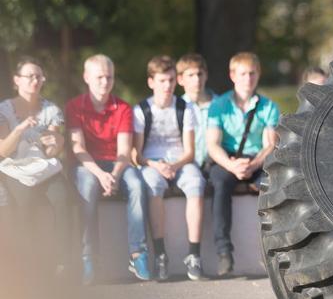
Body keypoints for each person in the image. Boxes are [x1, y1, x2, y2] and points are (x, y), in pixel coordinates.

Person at [66, 54, 150, 284]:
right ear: (86, 77)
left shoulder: (122, 108)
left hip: (116, 163)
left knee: (136, 183)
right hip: (88, 165)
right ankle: (89, 257)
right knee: (87, 184)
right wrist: (101, 174)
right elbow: (78, 148)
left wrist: (113, 175)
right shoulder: (74, 107)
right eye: (99, 77)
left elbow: (124, 151)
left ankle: (138, 253)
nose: (105, 82)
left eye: (109, 77)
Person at [207, 52, 280, 276]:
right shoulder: (219, 105)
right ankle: (223, 251)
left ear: (258, 75)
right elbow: (213, 144)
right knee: (219, 184)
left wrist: (254, 164)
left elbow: (270, 145)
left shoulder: (268, 106)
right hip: (228, 159)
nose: (248, 78)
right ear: (232, 75)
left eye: (252, 73)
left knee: (273, 185)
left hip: (257, 159)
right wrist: (232, 166)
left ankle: (274, 250)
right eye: (243, 74)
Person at [134, 56, 206, 281]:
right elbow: (136, 154)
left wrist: (173, 166)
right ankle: (160, 253)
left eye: (172, 80)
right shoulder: (141, 110)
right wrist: (156, 165)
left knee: (196, 183)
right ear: (151, 82)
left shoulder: (186, 108)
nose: (168, 86)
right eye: (163, 80)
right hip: (152, 162)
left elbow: (190, 151)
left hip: (180, 161)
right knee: (152, 184)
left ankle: (194, 255)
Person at [0, 57, 73, 273]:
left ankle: (63, 262)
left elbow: (51, 152)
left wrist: (57, 143)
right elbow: (3, 150)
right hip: (15, 167)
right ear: (17, 80)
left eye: (39, 76)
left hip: (44, 168)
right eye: (30, 76)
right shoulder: (4, 110)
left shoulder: (52, 110)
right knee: (23, 203)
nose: (36, 80)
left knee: (62, 198)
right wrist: (20, 129)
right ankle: (28, 267)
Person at [177, 53, 215, 172]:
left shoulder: (220, 104)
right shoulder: (177, 107)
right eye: (191, 75)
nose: (197, 79)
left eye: (200, 74)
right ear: (180, 79)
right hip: (186, 167)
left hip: (215, 166)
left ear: (206, 75)